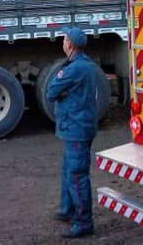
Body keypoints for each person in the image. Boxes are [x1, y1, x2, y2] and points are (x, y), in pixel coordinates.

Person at [46, 27, 97, 239]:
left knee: (77, 174)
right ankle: (67, 209)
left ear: (70, 44)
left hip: (76, 128)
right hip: (81, 127)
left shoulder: (73, 69)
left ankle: (83, 223)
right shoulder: (87, 65)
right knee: (69, 168)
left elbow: (51, 93)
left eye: (64, 39)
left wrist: (63, 91)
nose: (62, 42)